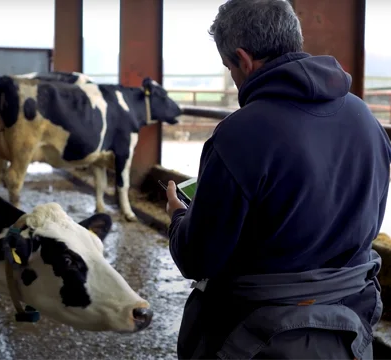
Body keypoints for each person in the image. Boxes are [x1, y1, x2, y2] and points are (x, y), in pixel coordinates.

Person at [164, 0, 391, 359]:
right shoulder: (365, 118)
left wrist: (178, 217)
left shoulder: (238, 134)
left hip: (254, 335)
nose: (234, 78)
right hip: (347, 331)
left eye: (229, 68)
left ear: (243, 59)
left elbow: (199, 259)